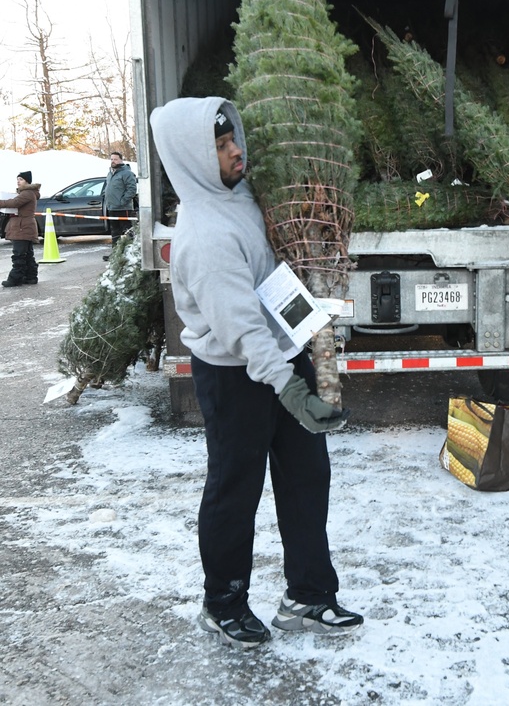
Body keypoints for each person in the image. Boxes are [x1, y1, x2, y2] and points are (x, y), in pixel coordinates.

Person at [149, 97, 361, 649]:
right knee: (235, 489)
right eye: (220, 146)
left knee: (306, 476)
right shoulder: (204, 237)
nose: (236, 151)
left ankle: (309, 595)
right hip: (235, 375)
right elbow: (242, 331)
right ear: (194, 157)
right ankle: (224, 602)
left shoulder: (241, 196)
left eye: (233, 138)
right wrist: (294, 391)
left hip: (283, 356)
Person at [0, 172, 41, 288]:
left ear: (27, 181)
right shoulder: (28, 193)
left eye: (21, 179)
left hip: (22, 227)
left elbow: (14, 203)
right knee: (27, 254)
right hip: (24, 226)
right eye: (17, 179)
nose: (18, 181)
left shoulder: (27, 193)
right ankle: (30, 277)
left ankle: (15, 279)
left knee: (19, 254)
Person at [103, 150, 138, 259]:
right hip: (112, 208)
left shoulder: (126, 173)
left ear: (121, 160)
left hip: (123, 208)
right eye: (112, 159)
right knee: (115, 233)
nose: (113, 161)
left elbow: (132, 189)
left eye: (115, 159)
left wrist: (122, 201)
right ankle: (115, 255)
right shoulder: (110, 173)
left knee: (128, 232)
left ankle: (134, 254)